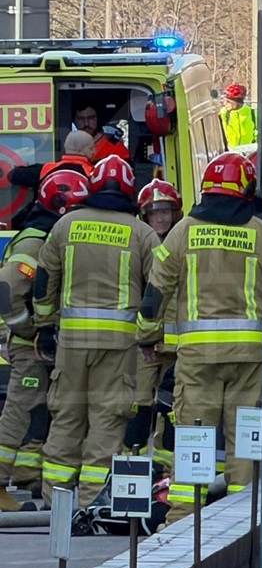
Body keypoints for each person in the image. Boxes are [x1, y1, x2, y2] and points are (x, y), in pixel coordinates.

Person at [136, 152, 262, 523]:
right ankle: (244, 520)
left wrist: (147, 338)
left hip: (197, 359)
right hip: (252, 360)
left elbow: (156, 292)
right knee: (246, 442)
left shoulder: (183, 232)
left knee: (193, 441)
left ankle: (181, 521)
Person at [33, 156, 158, 521]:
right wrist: (151, 336)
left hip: (71, 344)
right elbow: (157, 289)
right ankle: (90, 505)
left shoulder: (65, 225)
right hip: (120, 347)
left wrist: (44, 326)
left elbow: (44, 282)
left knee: (67, 416)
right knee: (107, 420)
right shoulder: (141, 233)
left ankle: (53, 505)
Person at [0, 170, 90, 511]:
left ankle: (28, 477)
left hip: (44, 342)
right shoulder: (37, 241)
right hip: (30, 345)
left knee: (41, 411)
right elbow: (7, 288)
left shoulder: (49, 233)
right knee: (19, 411)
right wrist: (27, 330)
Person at [122, 180, 183, 467]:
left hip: (178, 343)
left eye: (165, 211)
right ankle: (131, 463)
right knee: (139, 403)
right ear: (143, 215)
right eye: (153, 212)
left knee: (171, 406)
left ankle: (164, 465)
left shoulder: (184, 241)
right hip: (147, 341)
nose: (160, 218)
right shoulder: (139, 244)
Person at [8, 131, 96, 191]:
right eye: (91, 148)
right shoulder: (94, 174)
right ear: (82, 150)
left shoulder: (45, 170)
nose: (94, 152)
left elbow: (13, 175)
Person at [219, 83, 257, 149]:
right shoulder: (224, 113)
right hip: (230, 155)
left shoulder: (253, 113)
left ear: (237, 102)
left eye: (228, 101)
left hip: (249, 154)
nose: (225, 103)